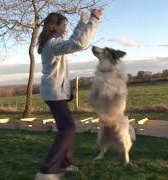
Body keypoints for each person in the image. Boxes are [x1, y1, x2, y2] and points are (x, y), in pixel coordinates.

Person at [35, 8, 103, 180]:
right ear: (54, 26)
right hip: (54, 93)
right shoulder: (53, 44)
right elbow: (77, 43)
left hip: (56, 92)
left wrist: (81, 23)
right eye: (64, 25)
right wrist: (93, 20)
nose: (66, 28)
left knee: (68, 128)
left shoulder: (53, 41)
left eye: (67, 25)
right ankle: (47, 172)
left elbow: (72, 39)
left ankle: (64, 164)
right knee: (67, 128)